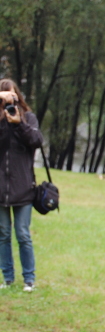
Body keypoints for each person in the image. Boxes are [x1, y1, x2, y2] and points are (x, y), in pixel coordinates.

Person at [0, 78, 44, 292]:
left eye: (12, 96)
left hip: (23, 186)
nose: (10, 102)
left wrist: (19, 124)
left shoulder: (28, 117)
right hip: (0, 188)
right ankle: (7, 278)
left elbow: (37, 141)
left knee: (23, 234)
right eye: (4, 97)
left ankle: (29, 279)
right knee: (3, 235)